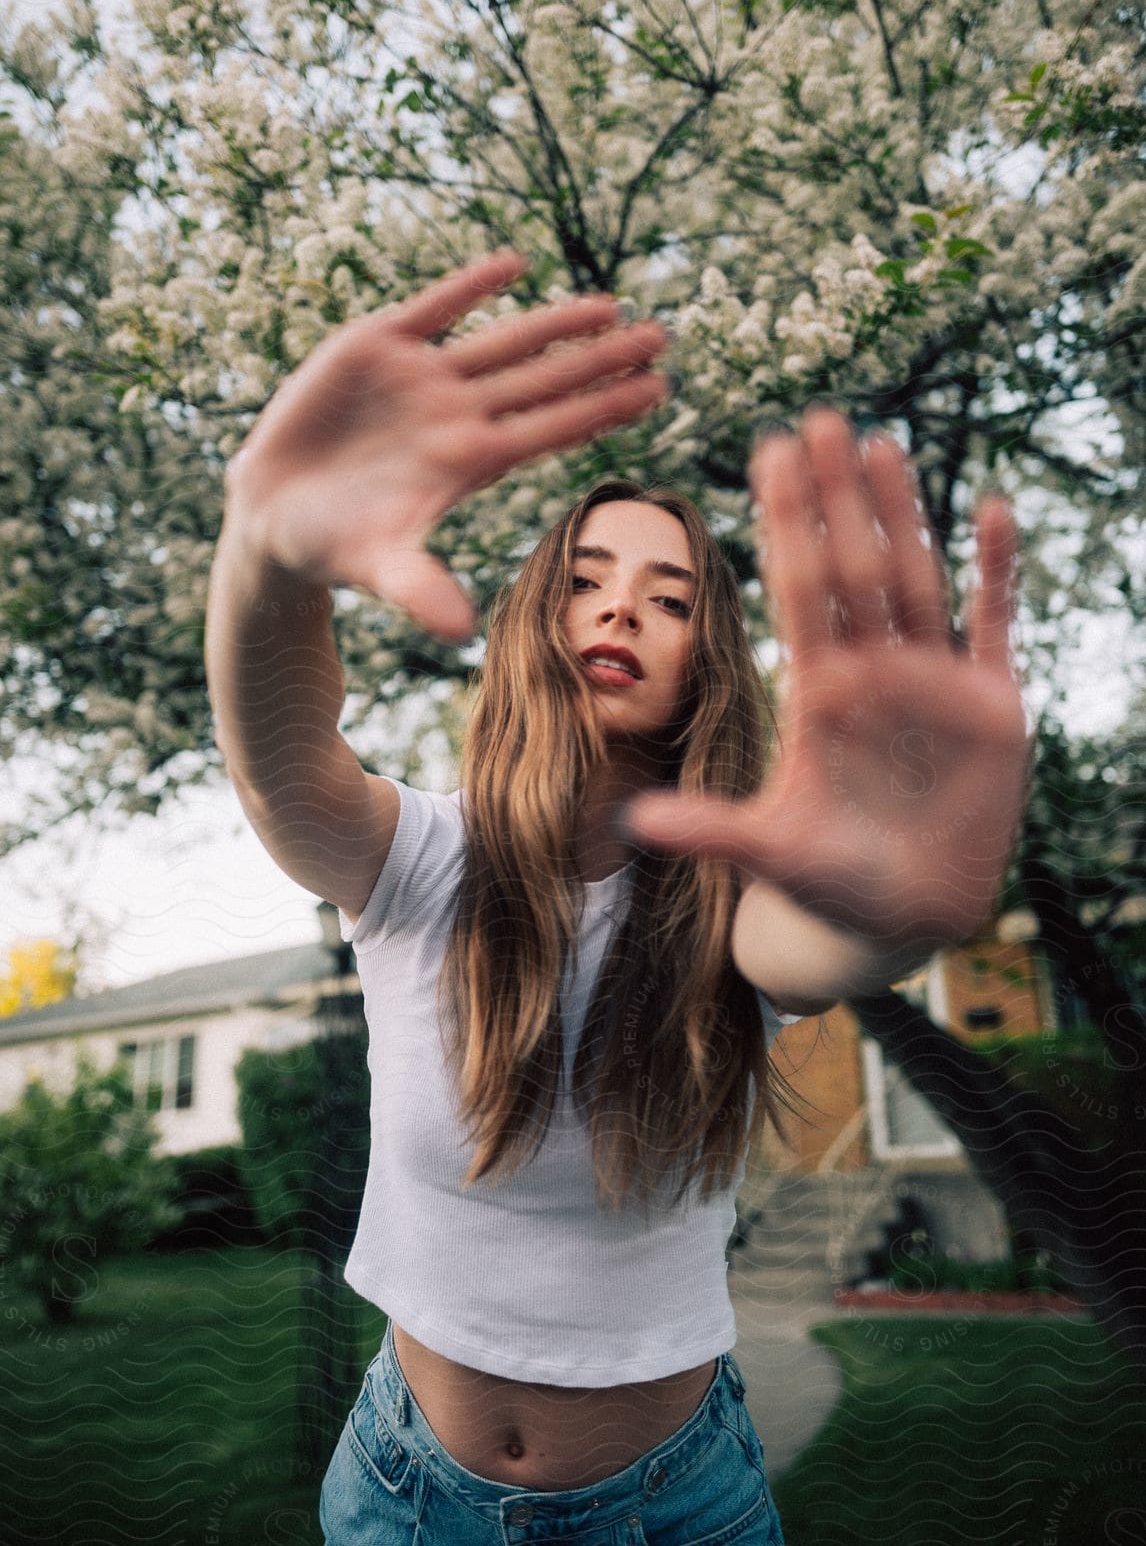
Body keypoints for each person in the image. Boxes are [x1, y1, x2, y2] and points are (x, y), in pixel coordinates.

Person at [205, 249, 1031, 1544]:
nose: (621, 610)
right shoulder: (422, 859)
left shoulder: (729, 901)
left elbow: (808, 944)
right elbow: (281, 762)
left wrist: (896, 908)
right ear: (537, 617)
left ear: (706, 659)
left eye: (668, 595)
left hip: (678, 1507)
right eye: (588, 579)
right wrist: (265, 553)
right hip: (404, 1497)